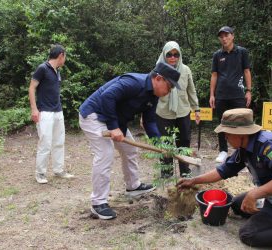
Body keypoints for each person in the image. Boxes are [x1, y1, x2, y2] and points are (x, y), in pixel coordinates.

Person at [177, 108, 272, 249]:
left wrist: (254, 194)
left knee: (248, 234)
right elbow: (224, 170)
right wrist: (193, 181)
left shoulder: (269, 145)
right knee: (236, 204)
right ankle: (270, 218)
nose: (225, 137)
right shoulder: (245, 147)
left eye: (227, 133)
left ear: (241, 134)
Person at [79, 62, 181, 220]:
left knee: (130, 150)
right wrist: (113, 126)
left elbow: (149, 122)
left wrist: (160, 145)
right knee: (105, 155)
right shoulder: (134, 83)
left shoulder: (153, 96)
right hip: (94, 116)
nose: (169, 91)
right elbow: (107, 96)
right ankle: (98, 203)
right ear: (159, 79)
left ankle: (133, 186)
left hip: (115, 121)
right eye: (169, 86)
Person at [29, 44, 74, 184]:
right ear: (61, 55)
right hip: (45, 113)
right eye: (65, 56)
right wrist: (34, 109)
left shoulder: (57, 70)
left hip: (58, 112)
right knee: (45, 143)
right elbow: (31, 88)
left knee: (59, 142)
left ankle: (58, 170)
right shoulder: (42, 68)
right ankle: (40, 173)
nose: (65, 59)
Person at [155, 41, 200, 178]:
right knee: (165, 143)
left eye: (176, 54)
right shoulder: (157, 70)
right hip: (163, 112)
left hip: (183, 112)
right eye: (169, 54)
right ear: (164, 54)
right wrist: (144, 115)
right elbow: (151, 94)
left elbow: (191, 90)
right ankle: (166, 172)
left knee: (184, 141)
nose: (173, 57)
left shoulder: (186, 70)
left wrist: (196, 109)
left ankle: (185, 170)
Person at [209, 26, 252, 163]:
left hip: (238, 93)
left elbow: (246, 71)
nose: (224, 38)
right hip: (221, 95)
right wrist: (212, 95)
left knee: (241, 121)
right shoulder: (217, 55)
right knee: (222, 123)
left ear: (232, 36)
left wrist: (249, 91)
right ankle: (223, 150)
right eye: (221, 36)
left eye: (226, 35)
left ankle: (243, 150)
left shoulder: (242, 52)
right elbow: (214, 75)